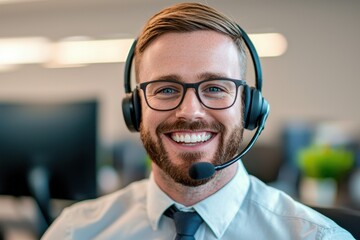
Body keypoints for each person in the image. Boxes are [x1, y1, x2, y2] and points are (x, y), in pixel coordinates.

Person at [42, 2, 354, 239]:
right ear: (135, 109)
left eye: (215, 88)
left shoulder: (316, 236)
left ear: (248, 107)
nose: (190, 112)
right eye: (166, 89)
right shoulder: (75, 231)